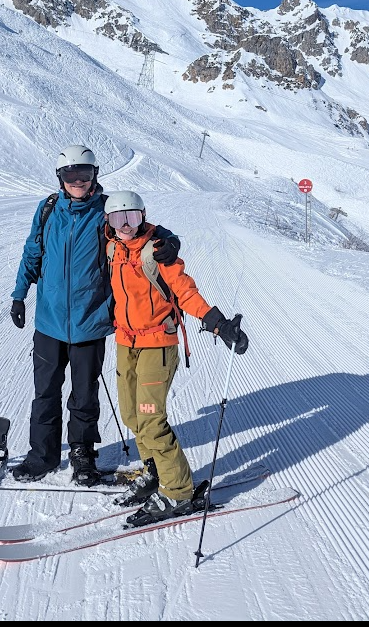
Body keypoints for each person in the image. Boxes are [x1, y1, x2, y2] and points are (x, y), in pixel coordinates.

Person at [9, 146, 181, 487]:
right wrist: (19, 294)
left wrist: (168, 238)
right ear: (60, 178)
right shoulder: (47, 210)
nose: (78, 181)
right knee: (45, 392)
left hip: (90, 321)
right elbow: (32, 251)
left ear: (95, 175)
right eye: (70, 175)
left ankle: (82, 454)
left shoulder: (105, 212)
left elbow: (139, 227)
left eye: (84, 174)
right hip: (49, 321)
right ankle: (42, 455)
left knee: (84, 395)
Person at [103, 190, 249, 524]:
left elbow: (185, 291)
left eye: (132, 218)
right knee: (131, 415)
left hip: (157, 343)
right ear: (109, 224)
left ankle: (178, 491)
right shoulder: (112, 249)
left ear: (143, 216)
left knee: (152, 421)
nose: (125, 226)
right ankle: (154, 472)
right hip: (126, 342)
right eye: (117, 219)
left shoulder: (158, 251)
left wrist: (217, 323)